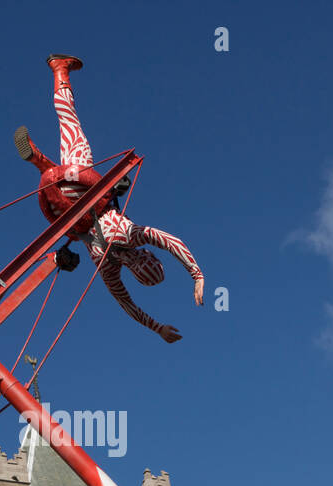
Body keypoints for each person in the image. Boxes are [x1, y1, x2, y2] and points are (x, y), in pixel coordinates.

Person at [16, 54, 204, 343]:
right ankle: (40, 162)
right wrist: (158, 329)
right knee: (58, 171)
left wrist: (196, 274)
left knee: (70, 124)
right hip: (63, 207)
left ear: (147, 256)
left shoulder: (132, 235)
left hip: (84, 191)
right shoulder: (109, 269)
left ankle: (60, 68)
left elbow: (171, 241)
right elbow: (127, 305)